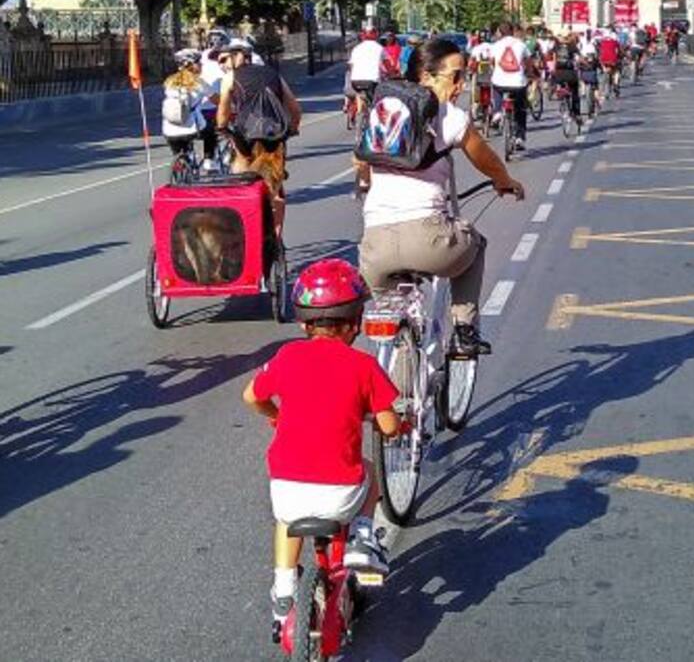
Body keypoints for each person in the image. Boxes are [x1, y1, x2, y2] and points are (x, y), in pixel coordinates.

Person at [242, 259, 400, 641]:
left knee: (286, 520)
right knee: (370, 470)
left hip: (288, 491)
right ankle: (362, 535)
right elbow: (390, 426)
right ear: (355, 321)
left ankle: (283, 592)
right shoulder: (364, 366)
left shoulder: (287, 357)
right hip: (342, 495)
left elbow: (251, 396)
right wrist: (391, 424)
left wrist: (277, 416)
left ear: (303, 322)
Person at [356, 38, 525, 358]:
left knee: (392, 313)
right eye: (455, 76)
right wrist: (506, 182)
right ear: (426, 77)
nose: (462, 84)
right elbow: (487, 161)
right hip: (429, 240)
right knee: (475, 245)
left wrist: (367, 184)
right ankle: (465, 331)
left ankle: (393, 367)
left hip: (374, 247)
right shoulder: (450, 117)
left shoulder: (382, 113)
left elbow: (361, 163)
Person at [216, 40, 302, 238]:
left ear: (238, 56)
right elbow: (295, 108)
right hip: (275, 135)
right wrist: (293, 128)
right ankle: (276, 237)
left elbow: (223, 109)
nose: (223, 65)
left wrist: (221, 127)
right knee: (276, 190)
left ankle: (243, 226)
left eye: (225, 59)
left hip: (245, 135)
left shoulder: (230, 77)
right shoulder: (273, 74)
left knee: (240, 173)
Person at [161, 49, 218, 167]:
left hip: (169, 128)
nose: (201, 65)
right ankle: (209, 160)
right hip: (192, 128)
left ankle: (181, 163)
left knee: (180, 149)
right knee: (211, 130)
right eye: (199, 63)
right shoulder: (198, 82)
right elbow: (217, 100)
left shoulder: (169, 82)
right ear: (192, 65)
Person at [489, 22, 530, 150]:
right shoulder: (521, 44)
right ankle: (519, 138)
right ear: (512, 31)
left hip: (500, 82)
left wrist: (495, 70)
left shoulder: (495, 45)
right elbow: (529, 62)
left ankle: (497, 113)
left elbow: (492, 62)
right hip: (518, 83)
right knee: (520, 109)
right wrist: (528, 73)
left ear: (499, 33)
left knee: (496, 88)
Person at [348, 27, 385, 117]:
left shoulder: (356, 48)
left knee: (359, 93)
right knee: (377, 100)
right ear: (376, 35)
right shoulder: (380, 48)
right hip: (372, 81)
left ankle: (360, 111)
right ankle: (374, 116)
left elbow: (351, 66)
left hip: (355, 81)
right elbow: (387, 64)